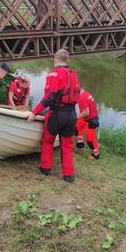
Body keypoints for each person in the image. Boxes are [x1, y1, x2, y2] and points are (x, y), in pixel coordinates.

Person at [27, 49, 80, 183]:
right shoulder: (74, 75)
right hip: (72, 114)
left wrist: (34, 112)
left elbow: (49, 98)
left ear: (55, 60)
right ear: (67, 60)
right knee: (67, 144)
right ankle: (69, 175)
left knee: (48, 141)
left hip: (56, 114)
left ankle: (46, 168)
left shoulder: (55, 74)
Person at [76, 87, 100, 160]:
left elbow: (86, 112)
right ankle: (80, 145)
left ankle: (95, 155)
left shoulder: (82, 98)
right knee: (77, 125)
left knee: (90, 140)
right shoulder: (86, 93)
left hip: (91, 121)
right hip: (88, 118)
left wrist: (76, 117)